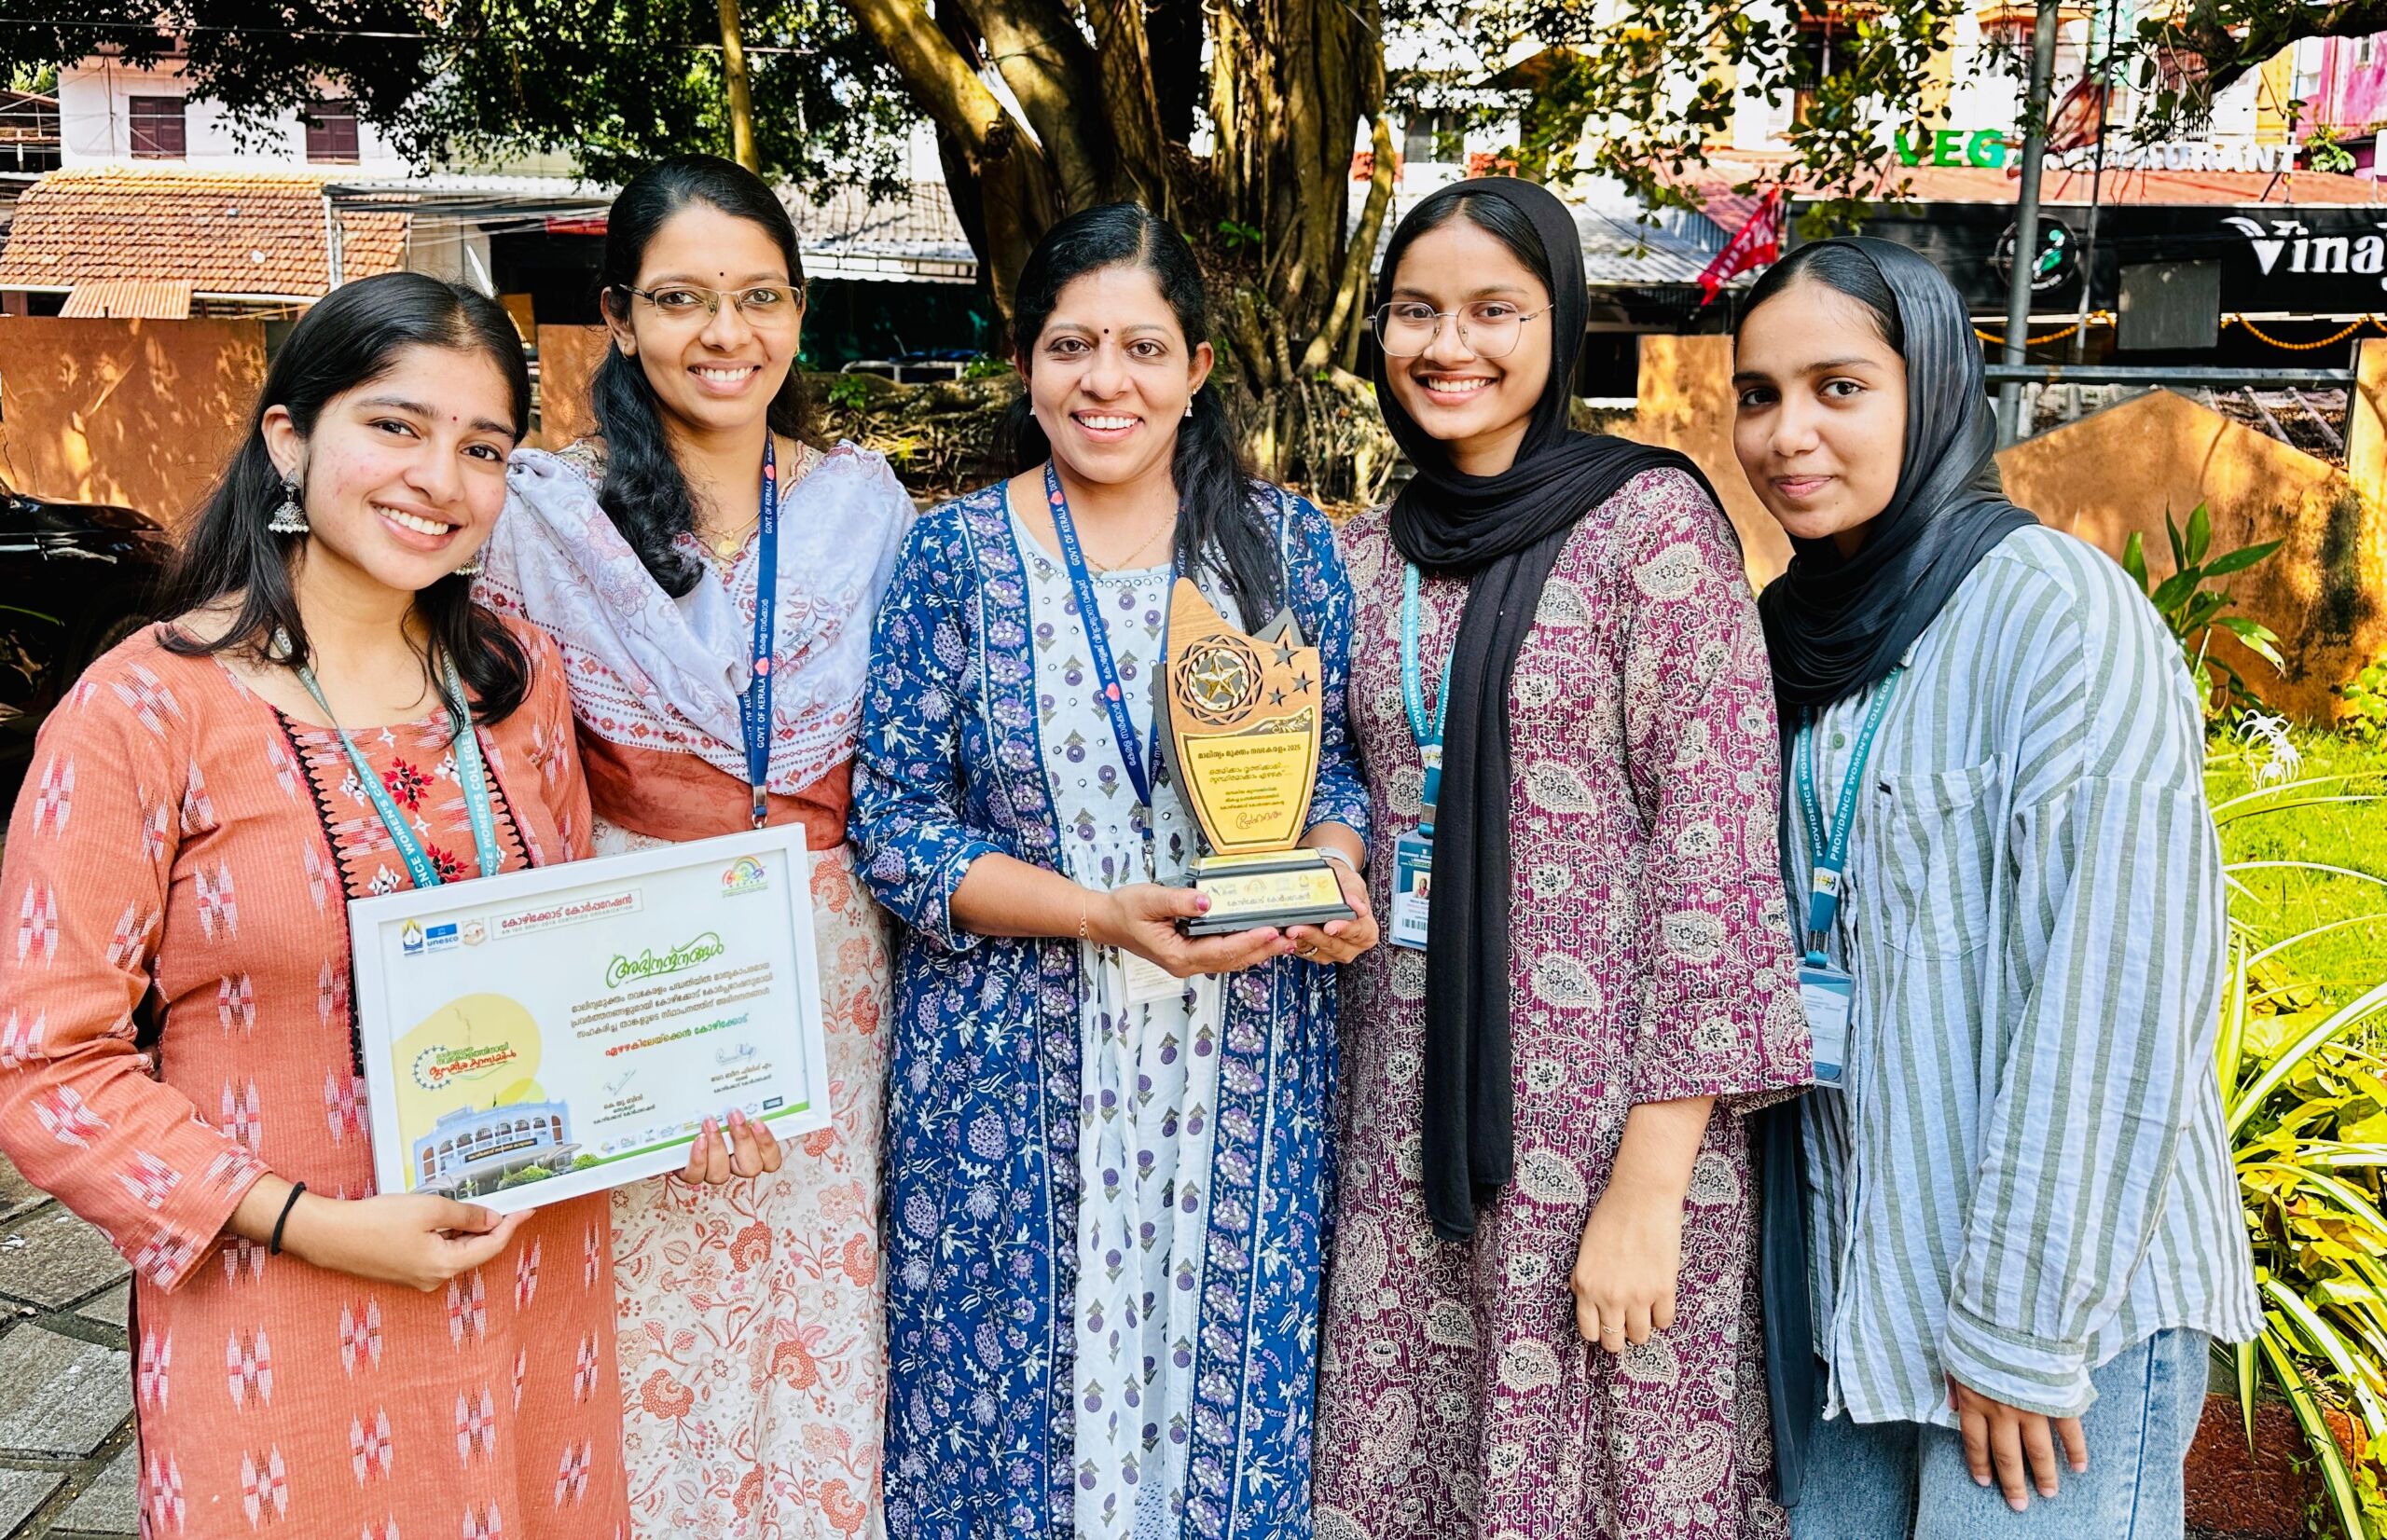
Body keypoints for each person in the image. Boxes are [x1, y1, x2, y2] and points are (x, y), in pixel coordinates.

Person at [0, 271, 636, 1536]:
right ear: (289, 439)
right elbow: (45, 1066)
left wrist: (684, 1089)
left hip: (531, 1287)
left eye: (484, 447)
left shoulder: (518, 685)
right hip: (277, 1306)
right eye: (396, 426)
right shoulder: (144, 711)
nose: (439, 480)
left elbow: (569, 968)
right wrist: (312, 1226)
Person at [849, 201, 1376, 1540]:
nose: (1106, 382)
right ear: (1026, 363)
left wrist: (1333, 870)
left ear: (1197, 368)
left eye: (1143, 348)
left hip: (1242, 1052)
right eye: (1071, 345)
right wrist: (1096, 915)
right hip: (1006, 1067)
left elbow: (1338, 772)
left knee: (1220, 1428)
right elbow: (894, 825)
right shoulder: (953, 557)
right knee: (1002, 1438)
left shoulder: (1284, 548)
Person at [1731, 237, 2260, 1536]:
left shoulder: (2053, 615)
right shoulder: (1790, 634)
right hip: (1857, 1289)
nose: (1788, 433)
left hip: (2051, 1318)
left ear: (1935, 393)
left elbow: (2121, 988)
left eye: (1839, 388)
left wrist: (2023, 1328)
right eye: (1758, 394)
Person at [1310, 177, 1810, 1540]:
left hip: (1604, 1128)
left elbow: (1717, 855)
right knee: (1413, 1472)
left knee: (1603, 1476)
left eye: (1494, 311)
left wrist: (1652, 1185)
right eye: (1417, 310)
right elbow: (1338, 783)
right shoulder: (1364, 557)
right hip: (1403, 1109)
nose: (1448, 346)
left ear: (1561, 323)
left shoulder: (1652, 530)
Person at [475, 153, 912, 1539]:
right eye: (680, 299)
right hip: (631, 951)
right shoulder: (541, 515)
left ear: (799, 311)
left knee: (818, 1284)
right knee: (647, 1293)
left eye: (759, 296)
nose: (726, 332)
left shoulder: (869, 509)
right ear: (619, 315)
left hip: (832, 955)